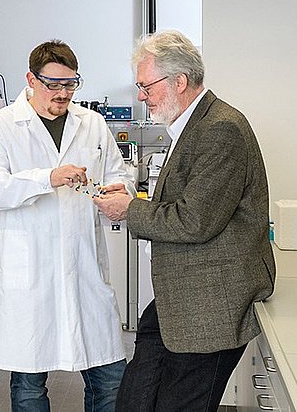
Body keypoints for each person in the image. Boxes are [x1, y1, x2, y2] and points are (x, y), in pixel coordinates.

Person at [94, 30, 276, 411]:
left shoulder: (220, 128)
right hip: (180, 298)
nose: (141, 95)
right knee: (134, 398)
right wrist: (136, 202)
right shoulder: (191, 125)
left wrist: (129, 209)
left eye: (146, 86)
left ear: (179, 81)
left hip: (210, 309)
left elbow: (193, 221)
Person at [0, 40, 135, 412]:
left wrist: (118, 188)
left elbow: (119, 174)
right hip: (31, 276)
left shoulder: (91, 124)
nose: (63, 94)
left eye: (71, 84)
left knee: (110, 379)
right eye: (53, 84)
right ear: (30, 78)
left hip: (85, 272)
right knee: (29, 385)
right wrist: (48, 178)